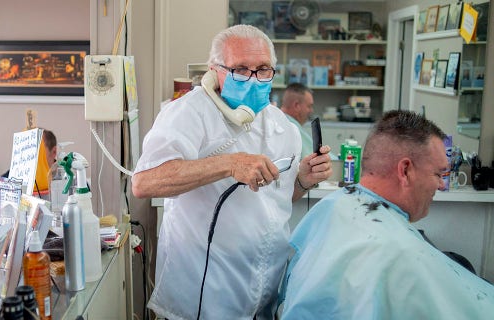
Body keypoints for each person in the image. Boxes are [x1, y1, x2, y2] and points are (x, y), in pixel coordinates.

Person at [132, 24, 332, 319]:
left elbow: (277, 201)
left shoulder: (283, 126)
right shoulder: (188, 113)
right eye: (240, 69)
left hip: (263, 292)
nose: (254, 79)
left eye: (263, 69)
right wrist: (227, 163)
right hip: (202, 294)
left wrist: (302, 180)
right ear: (214, 72)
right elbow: (144, 183)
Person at [280, 110, 494, 319]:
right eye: (438, 173)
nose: (440, 184)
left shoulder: (333, 204)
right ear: (405, 170)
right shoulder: (395, 254)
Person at [280, 82, 336, 160]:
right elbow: (313, 157)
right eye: (309, 106)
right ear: (296, 106)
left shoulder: (280, 120)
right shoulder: (291, 126)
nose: (311, 111)